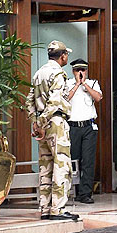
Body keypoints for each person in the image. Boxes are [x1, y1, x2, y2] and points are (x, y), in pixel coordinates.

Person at [26, 40, 79, 221]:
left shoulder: (39, 73)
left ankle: (45, 208)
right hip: (55, 122)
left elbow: (29, 100)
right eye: (66, 56)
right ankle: (58, 209)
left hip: (43, 125)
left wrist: (36, 122)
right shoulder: (58, 73)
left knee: (46, 166)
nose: (67, 58)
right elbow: (55, 102)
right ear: (62, 56)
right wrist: (41, 121)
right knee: (61, 165)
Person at [66, 58, 103, 204]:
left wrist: (84, 84)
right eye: (77, 70)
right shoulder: (67, 83)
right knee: (72, 160)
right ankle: (70, 191)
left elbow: (98, 97)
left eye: (83, 70)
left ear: (86, 71)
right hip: (72, 126)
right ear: (73, 71)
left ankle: (85, 193)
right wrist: (76, 84)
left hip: (88, 127)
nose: (80, 73)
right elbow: (66, 98)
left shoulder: (93, 83)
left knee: (88, 161)